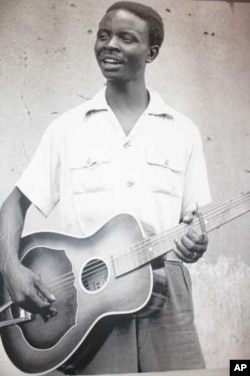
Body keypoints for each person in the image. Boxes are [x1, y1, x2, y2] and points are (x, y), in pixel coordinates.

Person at [0, 1, 211, 374]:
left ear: (152, 52)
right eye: (103, 35)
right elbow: (14, 204)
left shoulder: (183, 131)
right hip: (85, 304)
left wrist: (195, 242)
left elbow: (194, 224)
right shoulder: (66, 129)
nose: (109, 44)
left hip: (167, 294)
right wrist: (10, 268)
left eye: (126, 38)